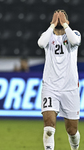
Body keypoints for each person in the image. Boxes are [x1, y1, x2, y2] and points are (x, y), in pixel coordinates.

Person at [38, 10, 81, 150]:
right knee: (49, 127)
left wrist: (65, 25)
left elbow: (75, 41)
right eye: (56, 18)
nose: (58, 20)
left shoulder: (74, 34)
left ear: (67, 21)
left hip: (70, 88)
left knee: (72, 131)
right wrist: (51, 26)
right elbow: (40, 43)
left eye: (61, 18)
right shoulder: (47, 36)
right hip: (50, 86)